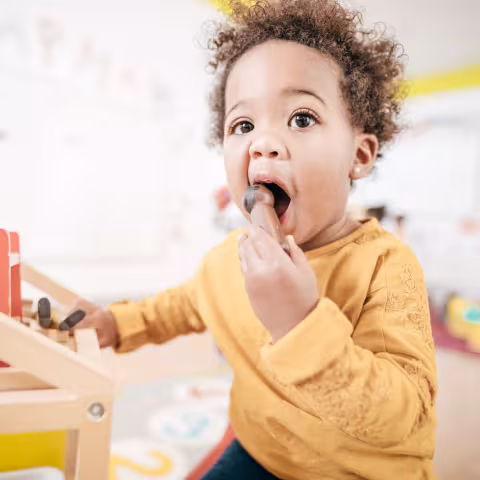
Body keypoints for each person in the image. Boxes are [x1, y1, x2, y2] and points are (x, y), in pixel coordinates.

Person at [71, 1, 437, 478]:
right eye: (243, 125)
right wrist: (117, 325)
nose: (263, 142)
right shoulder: (227, 261)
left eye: (301, 118)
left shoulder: (386, 266)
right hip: (261, 448)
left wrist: (298, 323)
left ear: (360, 155)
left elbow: (403, 417)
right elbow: (180, 306)